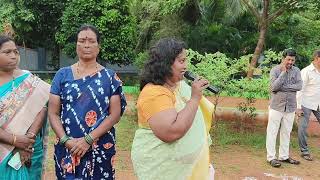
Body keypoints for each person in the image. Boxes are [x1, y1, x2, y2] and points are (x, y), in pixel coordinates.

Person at [48, 24, 126, 179]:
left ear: (98, 46)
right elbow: (53, 112)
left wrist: (88, 140)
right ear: (76, 45)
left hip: (100, 147)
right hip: (67, 148)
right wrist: (66, 141)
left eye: (91, 41)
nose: (86, 45)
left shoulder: (110, 77)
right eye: (82, 40)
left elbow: (114, 114)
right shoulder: (62, 75)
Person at [131, 38, 215, 179]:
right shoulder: (153, 93)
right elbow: (171, 132)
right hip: (162, 170)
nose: (185, 66)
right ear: (165, 63)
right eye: (181, 61)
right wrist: (194, 99)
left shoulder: (180, 87)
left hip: (186, 169)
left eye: (185, 61)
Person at [0, 35, 50, 179]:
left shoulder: (28, 80)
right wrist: (15, 140)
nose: (13, 56)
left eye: (16, 52)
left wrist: (28, 140)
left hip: (28, 147)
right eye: (7, 52)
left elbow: (41, 107)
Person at [266, 49, 302, 168]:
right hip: (276, 106)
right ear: (283, 59)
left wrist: (283, 87)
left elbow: (299, 86)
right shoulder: (275, 70)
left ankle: (284, 156)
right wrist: (283, 73)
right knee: (272, 132)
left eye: (292, 60)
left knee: (286, 132)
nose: (290, 62)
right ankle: (271, 158)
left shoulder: (297, 71)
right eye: (288, 59)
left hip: (290, 106)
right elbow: (274, 87)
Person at [296, 50, 320, 161]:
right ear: (316, 58)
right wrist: (298, 107)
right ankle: (304, 151)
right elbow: (300, 89)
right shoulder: (306, 71)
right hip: (305, 103)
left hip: (318, 103)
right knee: (303, 127)